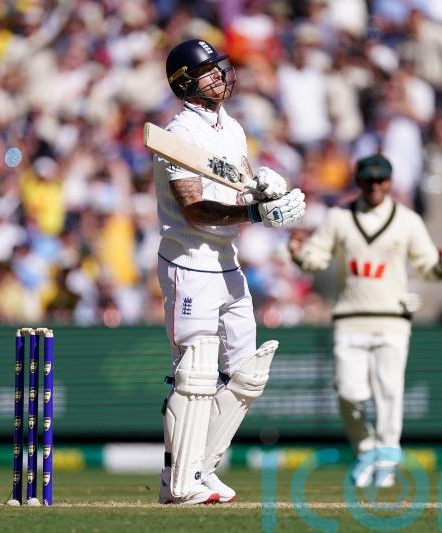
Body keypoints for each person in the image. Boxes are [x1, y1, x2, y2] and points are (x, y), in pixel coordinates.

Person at [153, 38, 306, 505]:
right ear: (185, 83)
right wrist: (258, 215)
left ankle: (202, 468)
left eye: (221, 67)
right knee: (196, 372)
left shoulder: (232, 129)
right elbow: (196, 209)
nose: (221, 76)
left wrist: (263, 192)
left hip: (226, 262)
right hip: (189, 260)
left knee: (245, 375)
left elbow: (235, 188)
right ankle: (177, 482)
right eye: (209, 71)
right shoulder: (178, 133)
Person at [288, 154, 442, 487]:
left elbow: (428, 267)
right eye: (369, 180)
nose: (375, 186)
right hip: (350, 320)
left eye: (381, 180)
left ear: (390, 182)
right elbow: (316, 258)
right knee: (349, 392)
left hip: (393, 320)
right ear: (358, 182)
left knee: (389, 394)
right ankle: (366, 451)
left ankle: (386, 462)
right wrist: (298, 253)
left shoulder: (407, 220)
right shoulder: (338, 218)